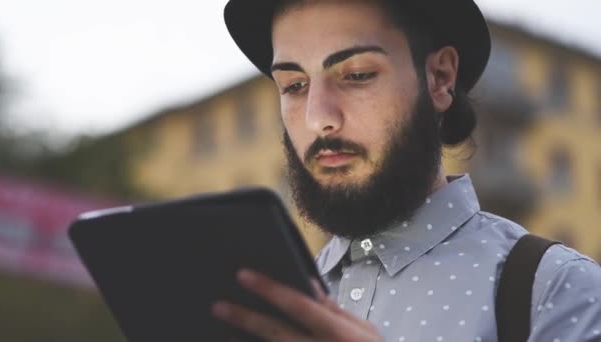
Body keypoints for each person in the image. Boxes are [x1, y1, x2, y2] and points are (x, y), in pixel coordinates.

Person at [213, 0, 601, 340]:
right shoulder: (266, 305)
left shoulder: (557, 288)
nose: (318, 118)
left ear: (439, 78)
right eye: (295, 85)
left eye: (357, 75)